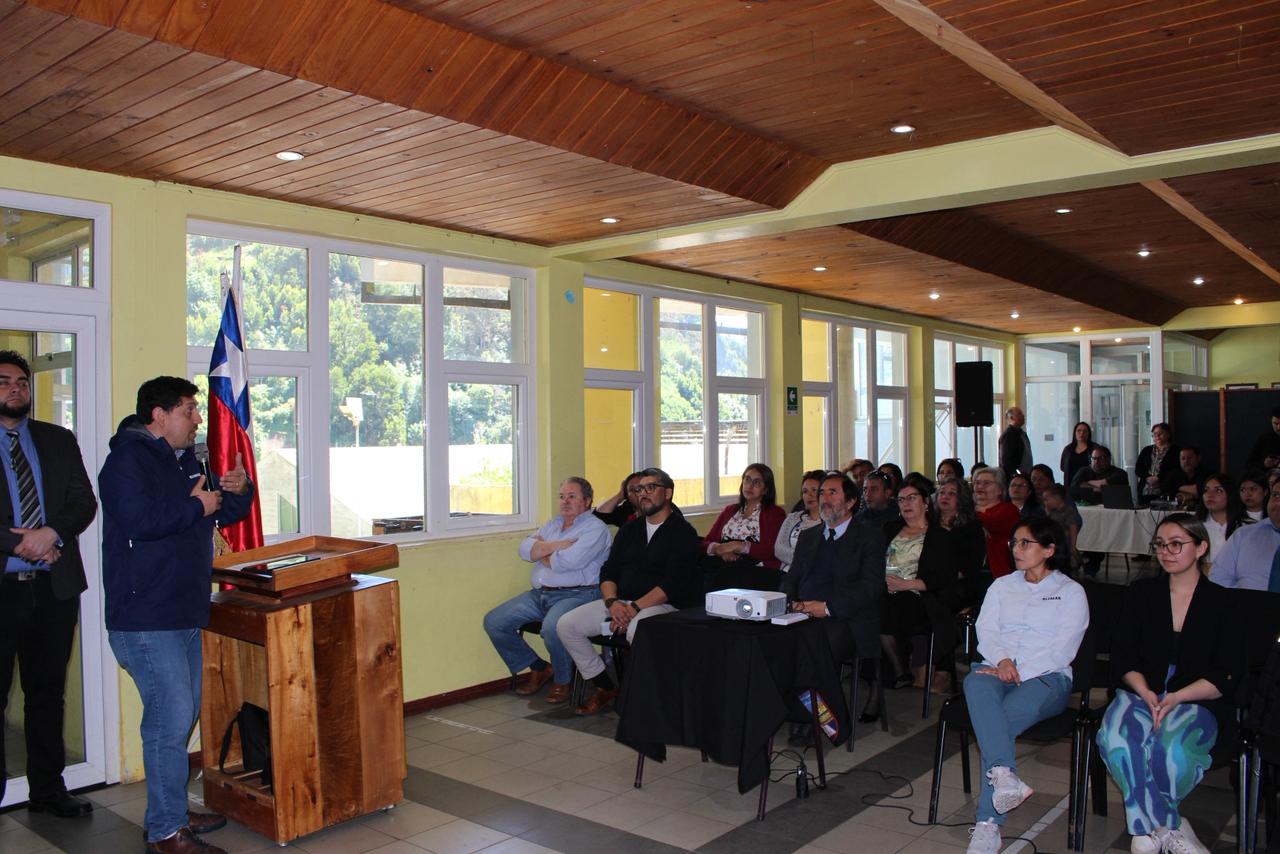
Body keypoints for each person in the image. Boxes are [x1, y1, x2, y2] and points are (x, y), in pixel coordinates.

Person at [100, 376, 254, 854]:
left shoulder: (186, 459)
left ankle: (171, 814)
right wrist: (194, 505)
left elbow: (219, 512)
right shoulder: (126, 460)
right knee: (169, 723)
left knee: (177, 718)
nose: (197, 418)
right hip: (146, 617)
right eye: (189, 409)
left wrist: (239, 491)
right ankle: (166, 832)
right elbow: (141, 521)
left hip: (184, 610)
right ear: (159, 415)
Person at [1097, 514, 1241, 854]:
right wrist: (1146, 692)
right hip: (1139, 689)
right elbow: (1123, 657)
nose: (1165, 552)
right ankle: (1168, 825)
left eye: (1176, 544)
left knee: (1172, 750)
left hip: (1196, 695)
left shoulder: (1223, 602)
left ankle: (1147, 829)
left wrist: (1176, 697)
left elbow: (1228, 673)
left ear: (1201, 548)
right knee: (1117, 740)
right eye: (1160, 544)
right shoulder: (1142, 593)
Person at [0, 351, 98, 816]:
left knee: (47, 694)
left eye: (22, 381)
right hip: (3, 590)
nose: (16, 388)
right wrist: (23, 543)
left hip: (52, 590)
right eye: (4, 381)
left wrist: (50, 534)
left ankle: (47, 791)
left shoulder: (57, 438)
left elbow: (83, 501)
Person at [963, 517, 1089, 854]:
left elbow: (1063, 649)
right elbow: (987, 631)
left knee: (997, 723)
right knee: (975, 684)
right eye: (1014, 543)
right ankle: (1004, 775)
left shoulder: (1070, 592)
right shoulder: (1002, 586)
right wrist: (1003, 661)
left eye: (1025, 543)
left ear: (1048, 550)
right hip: (997, 668)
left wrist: (1017, 671)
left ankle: (988, 823)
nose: (1016, 550)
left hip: (1046, 677)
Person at [557, 467, 701, 716]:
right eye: (639, 489)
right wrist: (613, 603)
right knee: (567, 625)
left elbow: (672, 584)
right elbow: (609, 571)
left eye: (650, 488)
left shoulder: (682, 533)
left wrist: (633, 609)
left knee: (637, 629)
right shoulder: (630, 530)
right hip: (622, 602)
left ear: (667, 493)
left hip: (665, 605)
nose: (643, 493)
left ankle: (648, 698)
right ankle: (605, 687)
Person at [483, 477, 611, 704]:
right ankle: (540, 668)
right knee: (494, 621)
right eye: (562, 497)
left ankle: (563, 680)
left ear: (587, 500)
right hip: (540, 594)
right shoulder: (553, 524)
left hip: (578, 595)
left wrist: (541, 551)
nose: (565, 502)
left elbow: (571, 561)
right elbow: (524, 550)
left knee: (552, 628)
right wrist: (557, 546)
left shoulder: (595, 528)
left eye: (572, 496)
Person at [782, 472, 885, 719]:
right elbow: (790, 579)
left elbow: (870, 587)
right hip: (804, 613)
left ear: (850, 502)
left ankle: (820, 719)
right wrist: (791, 601)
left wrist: (827, 607)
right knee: (773, 643)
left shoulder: (869, 537)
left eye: (832, 493)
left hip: (846, 617)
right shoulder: (809, 536)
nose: (824, 499)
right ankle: (801, 711)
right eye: (821, 493)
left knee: (818, 649)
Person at [880, 475, 961, 695]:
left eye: (911, 498)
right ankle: (898, 672)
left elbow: (944, 578)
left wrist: (907, 584)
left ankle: (898, 672)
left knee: (890, 607)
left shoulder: (940, 536)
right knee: (873, 606)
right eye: (901, 499)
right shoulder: (889, 529)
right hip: (885, 591)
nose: (905, 503)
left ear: (925, 503)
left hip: (920, 596)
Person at [701, 463, 786, 591]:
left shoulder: (775, 513)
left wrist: (740, 546)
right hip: (724, 564)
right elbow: (706, 542)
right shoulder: (730, 510)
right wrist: (720, 550)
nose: (750, 486)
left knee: (723, 578)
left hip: (754, 568)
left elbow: (773, 551)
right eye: (747, 480)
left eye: (757, 482)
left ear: (766, 490)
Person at [1208, 481, 1280, 591]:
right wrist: (1244, 600)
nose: (1278, 503)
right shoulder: (1244, 535)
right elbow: (1218, 578)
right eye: (1276, 495)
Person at [936, 475, 987, 611]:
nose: (945, 497)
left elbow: (970, 567)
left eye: (952, 493)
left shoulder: (972, 528)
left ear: (962, 499)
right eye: (942, 492)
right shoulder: (928, 523)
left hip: (958, 586)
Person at [774, 469, 825, 572]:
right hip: (787, 573)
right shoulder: (792, 518)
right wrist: (806, 559)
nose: (809, 495)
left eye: (814, 490)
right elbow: (778, 549)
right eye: (805, 491)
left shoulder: (832, 521)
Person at [973, 467, 1019, 580]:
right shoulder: (968, 511)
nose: (980, 487)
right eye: (977, 483)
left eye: (986, 483)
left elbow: (992, 523)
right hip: (971, 572)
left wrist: (974, 513)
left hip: (998, 572)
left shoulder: (1009, 509)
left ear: (1000, 490)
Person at [1194, 473, 1244, 563]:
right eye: (1206, 490)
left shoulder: (1245, 526)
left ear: (1230, 494)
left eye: (1218, 491)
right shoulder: (1196, 526)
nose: (1210, 495)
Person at [1135, 423, 1179, 507]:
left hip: (1165, 491)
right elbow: (1138, 468)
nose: (1157, 436)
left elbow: (1175, 470)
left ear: (1168, 434)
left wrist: (1159, 478)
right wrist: (1147, 477)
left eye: (1160, 433)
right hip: (1145, 491)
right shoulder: (1146, 450)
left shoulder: (1176, 451)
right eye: (1155, 434)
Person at [1041, 485, 1081, 574]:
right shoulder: (1052, 511)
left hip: (1064, 543)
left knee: (1064, 565)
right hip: (1054, 543)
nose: (1045, 503)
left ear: (1057, 499)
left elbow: (1073, 528)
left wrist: (1073, 546)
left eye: (1046, 500)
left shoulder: (1068, 511)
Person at [1059, 421, 1100, 489]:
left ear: (1089, 434)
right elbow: (1063, 467)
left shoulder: (1095, 448)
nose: (1082, 433)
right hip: (1070, 486)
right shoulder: (1068, 449)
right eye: (1079, 431)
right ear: (1074, 433)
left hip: (1089, 486)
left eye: (1085, 431)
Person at [998, 407, 1032, 482]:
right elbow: (1007, 461)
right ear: (1012, 418)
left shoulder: (1022, 433)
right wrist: (1016, 475)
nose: (1023, 416)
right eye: (1019, 414)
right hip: (1016, 477)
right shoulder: (1009, 435)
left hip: (1026, 475)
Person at [1245, 406, 1280, 471]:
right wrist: (1264, 464)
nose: (1278, 427)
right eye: (1275, 423)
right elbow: (1249, 464)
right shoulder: (1264, 439)